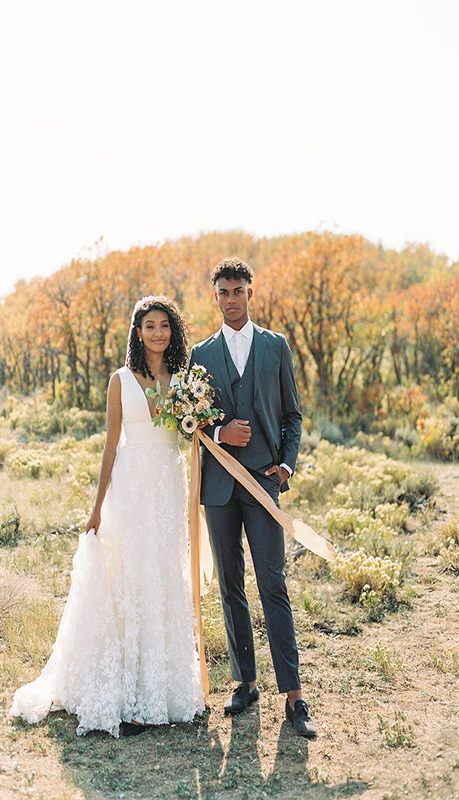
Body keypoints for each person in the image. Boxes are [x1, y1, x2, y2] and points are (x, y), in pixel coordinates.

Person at [10, 296, 205, 737]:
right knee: (130, 579)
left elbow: (191, 437)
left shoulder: (184, 380)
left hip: (167, 486)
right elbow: (110, 445)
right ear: (137, 332)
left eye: (164, 326)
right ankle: (127, 696)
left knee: (163, 576)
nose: (158, 333)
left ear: (172, 332)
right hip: (131, 488)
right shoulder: (120, 380)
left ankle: (166, 689)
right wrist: (97, 506)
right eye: (149, 326)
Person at [189, 257, 317, 738]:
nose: (230, 298)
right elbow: (195, 424)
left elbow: (293, 414)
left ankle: (295, 696)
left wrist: (285, 465)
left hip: (264, 483)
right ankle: (245, 681)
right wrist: (221, 431)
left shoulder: (275, 346)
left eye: (238, 290)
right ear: (215, 295)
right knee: (230, 586)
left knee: (273, 584)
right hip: (220, 489)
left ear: (250, 292)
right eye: (223, 291)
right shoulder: (200, 354)